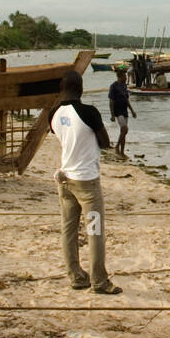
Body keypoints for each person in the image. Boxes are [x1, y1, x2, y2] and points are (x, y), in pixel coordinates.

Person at [50, 70, 121, 296]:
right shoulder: (89, 112)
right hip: (87, 182)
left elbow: (64, 137)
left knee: (68, 231)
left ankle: (76, 276)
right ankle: (99, 281)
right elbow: (105, 143)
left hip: (64, 179)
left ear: (62, 89)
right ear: (80, 88)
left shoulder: (53, 114)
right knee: (95, 231)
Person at [108, 67, 136, 158]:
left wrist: (132, 111)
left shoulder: (124, 86)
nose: (126, 78)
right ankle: (117, 147)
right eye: (125, 76)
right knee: (125, 129)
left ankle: (122, 151)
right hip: (118, 111)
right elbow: (111, 101)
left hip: (125, 111)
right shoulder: (113, 86)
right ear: (120, 77)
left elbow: (127, 100)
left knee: (123, 132)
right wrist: (112, 115)